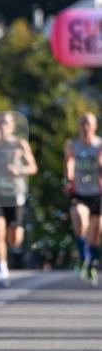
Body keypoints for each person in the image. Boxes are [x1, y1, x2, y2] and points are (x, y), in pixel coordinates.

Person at [0, 111, 38, 287]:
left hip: (15, 194)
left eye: (6, 123)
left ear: (13, 126)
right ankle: (2, 268)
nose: (3, 126)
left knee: (15, 239)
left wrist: (19, 170)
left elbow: (33, 167)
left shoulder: (20, 144)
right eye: (0, 123)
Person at [64, 112, 102, 286]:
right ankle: (83, 257)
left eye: (89, 124)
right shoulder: (72, 145)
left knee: (95, 234)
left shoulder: (100, 146)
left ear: (95, 126)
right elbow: (68, 165)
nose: (85, 127)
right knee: (81, 220)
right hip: (79, 193)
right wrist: (69, 178)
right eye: (82, 124)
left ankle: (91, 264)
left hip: (97, 193)